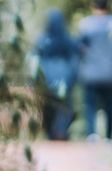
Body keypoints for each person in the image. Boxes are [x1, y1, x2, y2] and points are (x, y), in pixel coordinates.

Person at [34, 9, 79, 140]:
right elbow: (73, 59)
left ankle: (50, 132)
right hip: (64, 78)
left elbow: (36, 58)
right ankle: (60, 130)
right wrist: (71, 76)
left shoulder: (42, 40)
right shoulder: (67, 39)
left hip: (46, 78)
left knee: (47, 105)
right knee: (65, 105)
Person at [78, 0, 112, 140]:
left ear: (93, 7)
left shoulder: (86, 24)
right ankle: (109, 135)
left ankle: (92, 134)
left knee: (90, 105)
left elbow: (80, 47)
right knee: (110, 106)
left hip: (91, 73)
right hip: (110, 73)